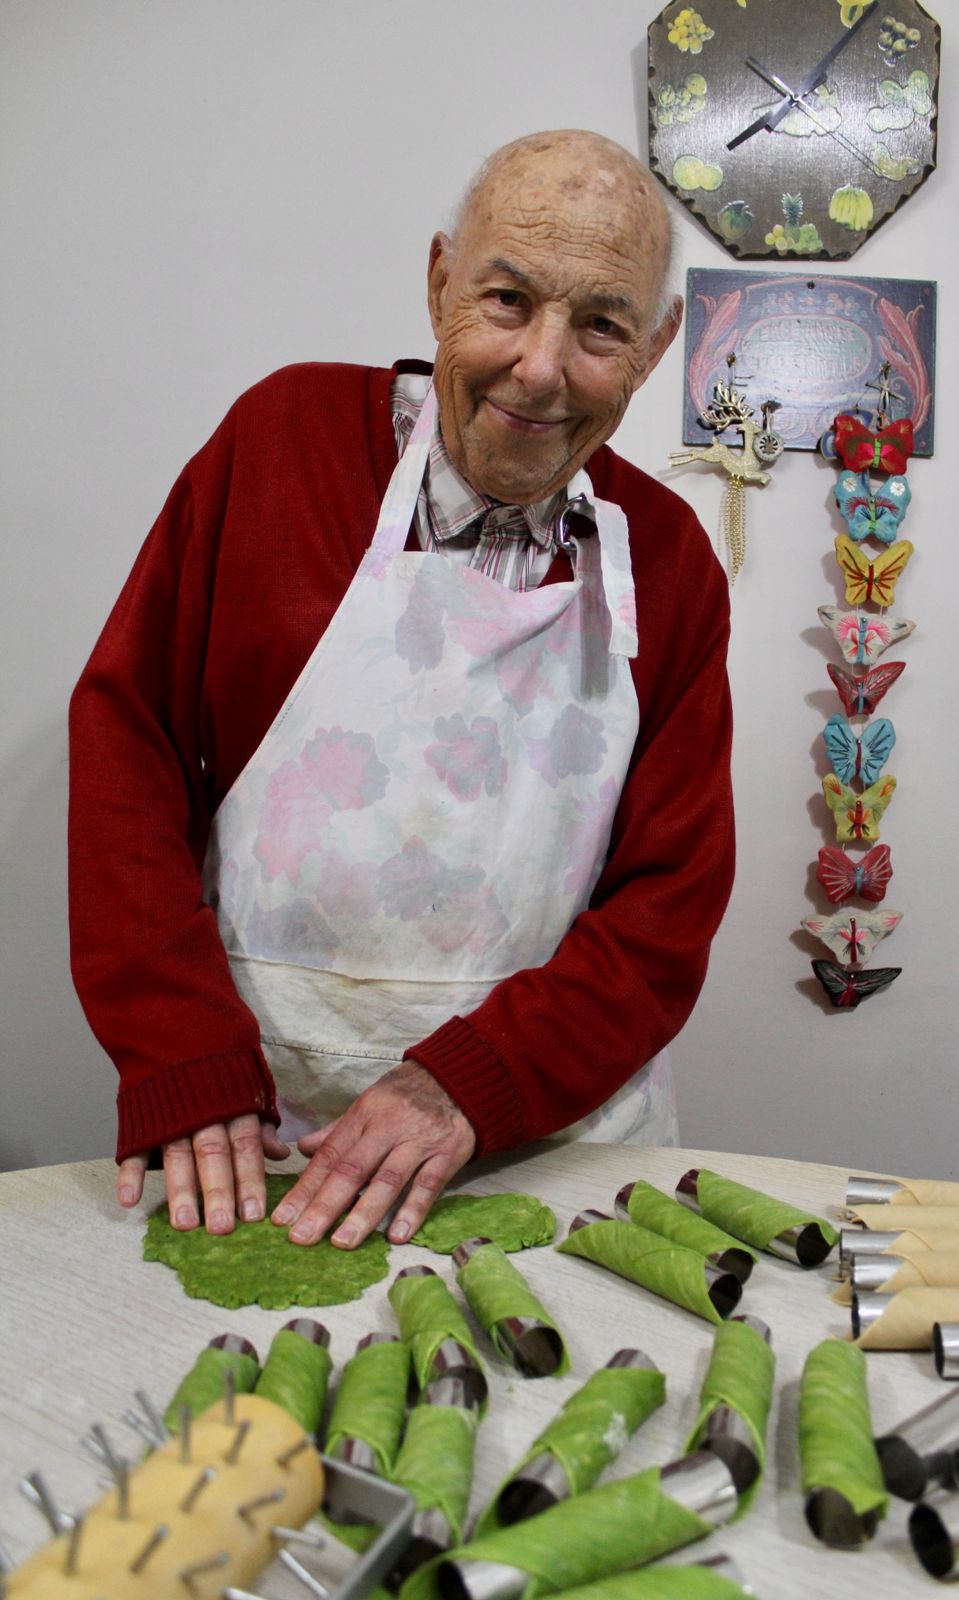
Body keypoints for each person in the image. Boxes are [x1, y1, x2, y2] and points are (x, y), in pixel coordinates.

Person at [68, 128, 734, 1254]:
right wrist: (178, 1046)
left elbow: (665, 911)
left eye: (601, 326)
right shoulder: (277, 445)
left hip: (545, 1137)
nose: (538, 366)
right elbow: (128, 747)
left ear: (657, 345)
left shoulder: (668, 562)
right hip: (257, 1135)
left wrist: (471, 1083)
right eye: (508, 299)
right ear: (438, 283)